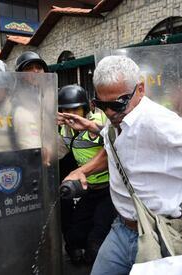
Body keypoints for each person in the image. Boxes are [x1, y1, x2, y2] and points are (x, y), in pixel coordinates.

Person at [62, 56, 182, 274]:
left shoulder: (161, 125)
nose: (109, 112)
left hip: (160, 234)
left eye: (117, 104)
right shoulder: (116, 122)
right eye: (101, 105)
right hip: (121, 229)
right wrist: (83, 167)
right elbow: (113, 148)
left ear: (140, 89)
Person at [57, 84, 116, 265]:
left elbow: (113, 135)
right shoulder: (64, 130)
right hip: (89, 190)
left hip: (109, 191)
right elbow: (53, 154)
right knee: (75, 234)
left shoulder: (99, 120)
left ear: (87, 108)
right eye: (66, 110)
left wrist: (91, 126)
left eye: (76, 109)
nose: (71, 114)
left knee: (96, 238)